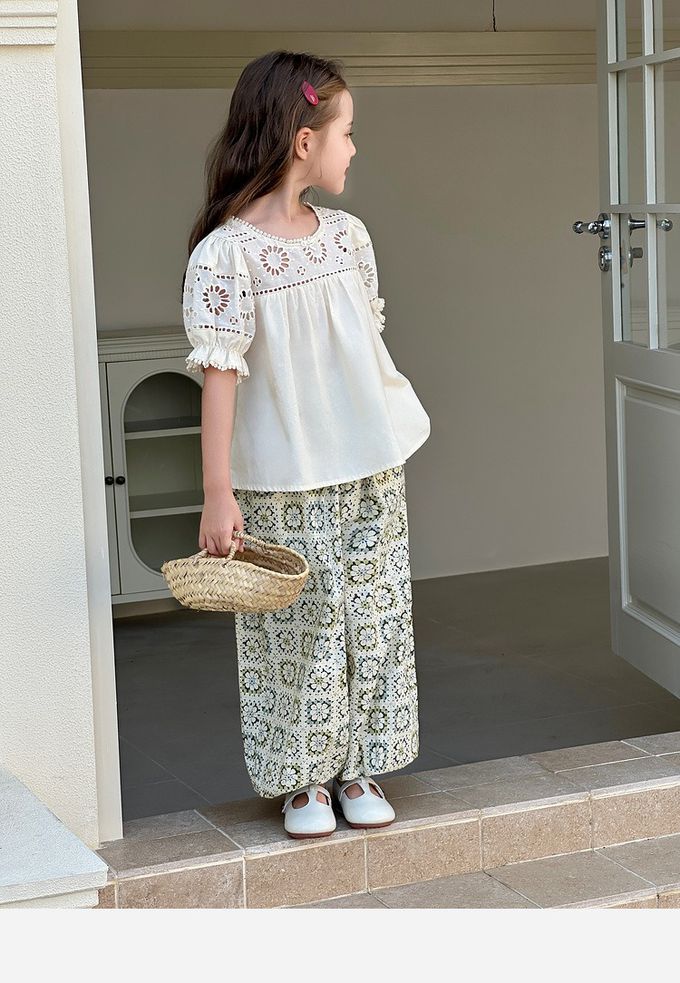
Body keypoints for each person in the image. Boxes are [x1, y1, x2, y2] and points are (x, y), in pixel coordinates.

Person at [182, 50, 431, 839]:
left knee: (377, 618)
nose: (354, 148)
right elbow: (220, 375)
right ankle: (305, 782)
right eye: (347, 132)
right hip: (283, 478)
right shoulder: (227, 254)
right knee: (299, 630)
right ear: (303, 141)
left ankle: (360, 767)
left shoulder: (349, 238)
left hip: (370, 465)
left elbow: (361, 346)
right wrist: (218, 492)